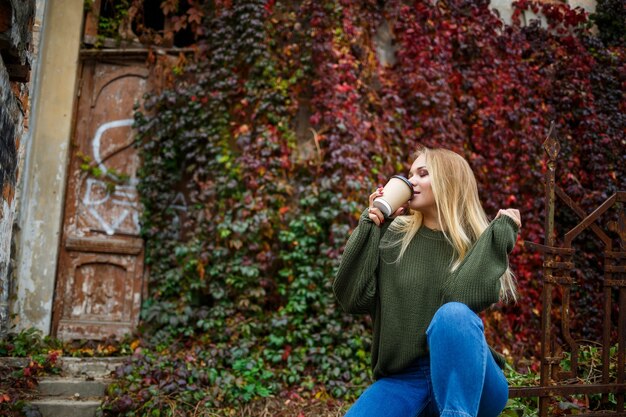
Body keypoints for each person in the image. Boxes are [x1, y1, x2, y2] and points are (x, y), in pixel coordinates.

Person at [333, 146, 521, 417]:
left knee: (452, 314)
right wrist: (370, 226)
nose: (411, 181)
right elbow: (351, 298)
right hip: (404, 379)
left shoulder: (476, 242)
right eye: (410, 175)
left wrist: (500, 234)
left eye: (423, 173)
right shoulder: (393, 236)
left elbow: (459, 300)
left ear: (449, 181)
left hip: (468, 377)